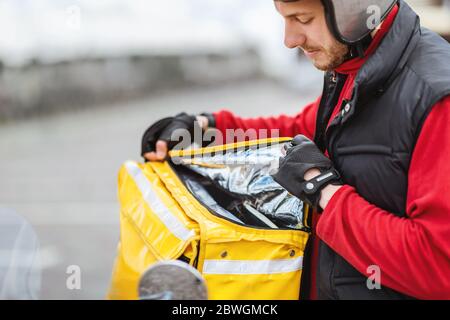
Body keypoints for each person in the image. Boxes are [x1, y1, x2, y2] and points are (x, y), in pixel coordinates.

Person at [140, 0, 450, 299]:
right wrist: (205, 127)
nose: (290, 40)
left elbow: (439, 267)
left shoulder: (437, 99)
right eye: (285, 19)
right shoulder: (358, 65)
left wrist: (324, 192)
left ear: (355, 6)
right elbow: (299, 129)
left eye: (303, 19)